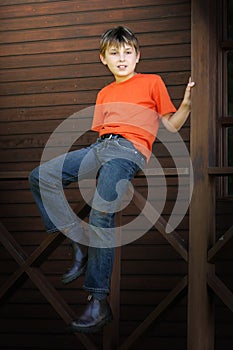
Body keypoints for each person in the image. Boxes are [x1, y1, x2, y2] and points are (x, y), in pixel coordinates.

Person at [29, 26, 195, 333]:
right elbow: (103, 134)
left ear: (137, 56)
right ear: (103, 59)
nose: (122, 58)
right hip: (101, 147)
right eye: (115, 53)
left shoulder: (151, 82)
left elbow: (169, 128)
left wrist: (185, 105)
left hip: (128, 151)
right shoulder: (104, 92)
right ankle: (76, 243)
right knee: (41, 176)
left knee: (101, 215)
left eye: (128, 52)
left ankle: (98, 301)